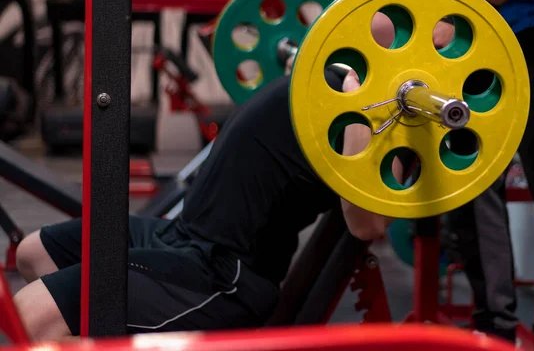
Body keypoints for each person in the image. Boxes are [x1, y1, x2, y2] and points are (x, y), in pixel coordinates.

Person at [12, 66, 403, 342]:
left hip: (221, 274)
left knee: (30, 317)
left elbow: (368, 224)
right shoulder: (329, 70)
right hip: (180, 233)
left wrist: (362, 110)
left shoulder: (386, 119)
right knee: (34, 253)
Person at [418, 0, 534, 343]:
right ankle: (493, 325)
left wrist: (463, 15)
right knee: (470, 174)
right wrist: (431, 13)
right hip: (474, 43)